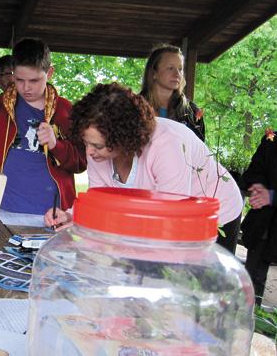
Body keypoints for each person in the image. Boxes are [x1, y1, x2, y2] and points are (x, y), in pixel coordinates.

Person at [44, 83, 243, 252]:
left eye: (97, 146)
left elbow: (170, 219)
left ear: (123, 138)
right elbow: (100, 201)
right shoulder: (97, 153)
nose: (89, 152)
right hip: (164, 219)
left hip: (214, 214)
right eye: (86, 143)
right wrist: (71, 214)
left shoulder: (167, 145)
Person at [0, 37, 87, 216]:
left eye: (34, 80)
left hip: (54, 215)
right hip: (0, 212)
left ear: (50, 73)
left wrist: (56, 145)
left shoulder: (66, 111)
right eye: (20, 79)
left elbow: (82, 162)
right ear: (13, 74)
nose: (26, 88)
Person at [239, 130, 277, 304]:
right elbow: (252, 173)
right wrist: (259, 188)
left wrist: (272, 196)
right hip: (265, 224)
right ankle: (247, 319)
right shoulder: (271, 140)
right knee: (252, 277)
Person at [139, 44, 205, 141]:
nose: (177, 74)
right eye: (170, 68)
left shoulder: (192, 112)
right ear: (154, 73)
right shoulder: (134, 108)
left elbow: (200, 152)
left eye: (180, 69)